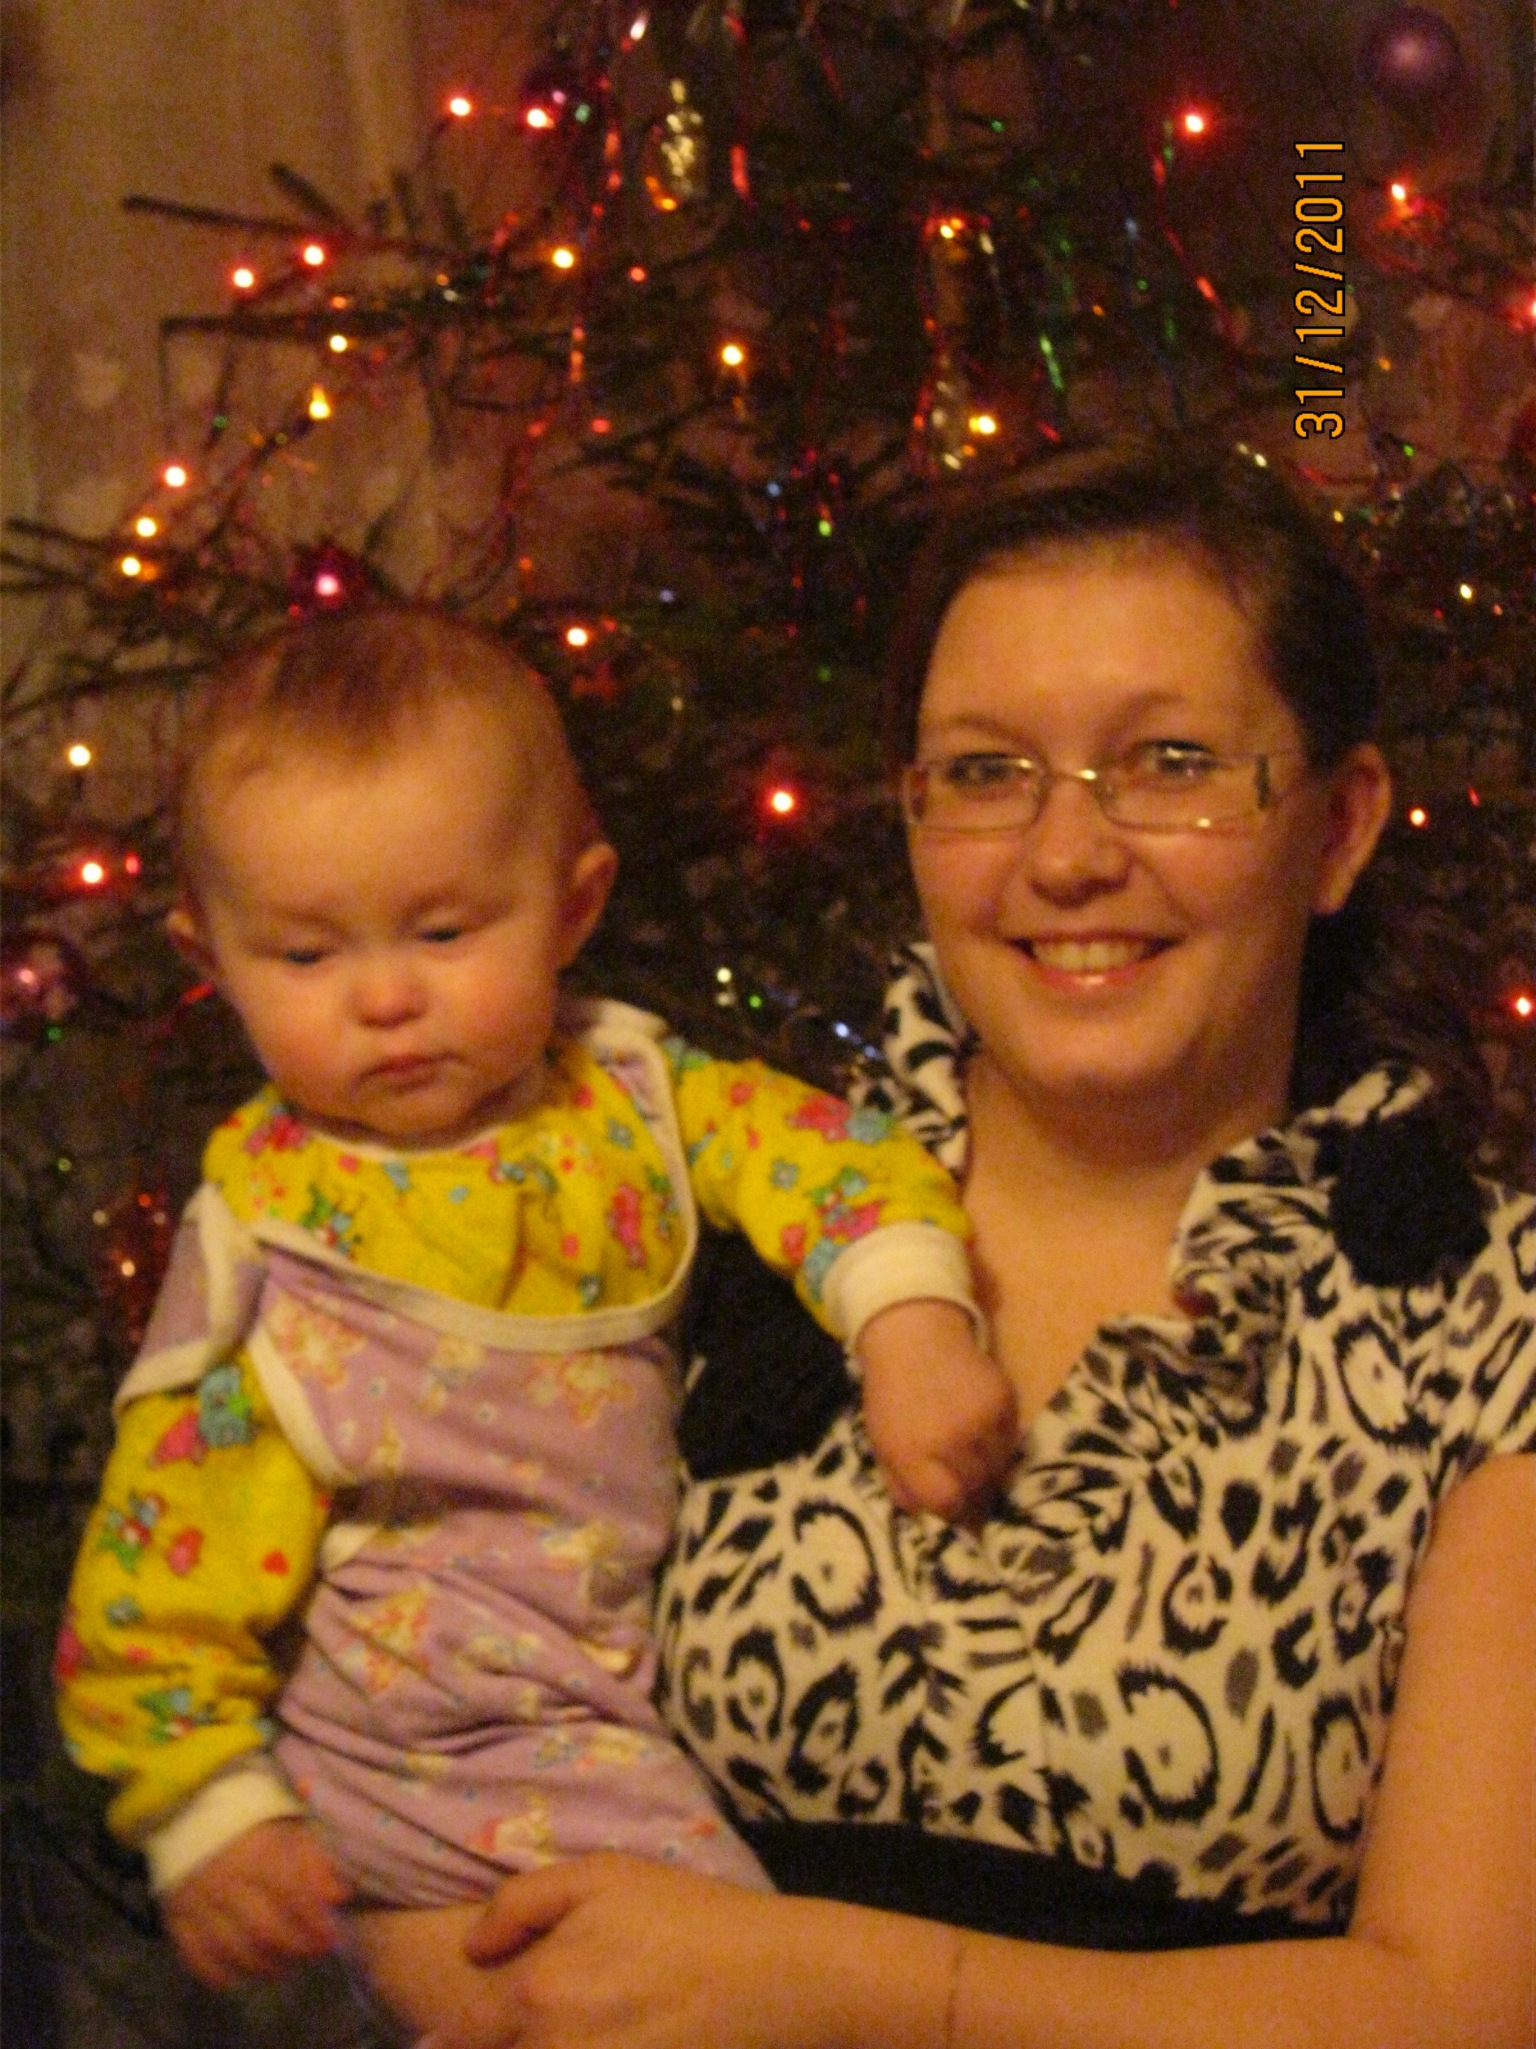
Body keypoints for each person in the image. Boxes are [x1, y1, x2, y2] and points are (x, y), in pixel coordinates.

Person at [416, 446, 1535, 2049]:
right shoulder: (702, 1215)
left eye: (1167, 760)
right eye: (988, 770)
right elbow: (411, 1761)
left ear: (1340, 825)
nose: (1065, 856)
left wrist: (833, 1986)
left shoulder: (1489, 1321)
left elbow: (1464, 2008)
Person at [54, 605, 1018, 2043]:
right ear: (211, 953)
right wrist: (202, 1808)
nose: (387, 997)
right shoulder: (267, 1240)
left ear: (573, 906)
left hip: (603, 1704)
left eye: (446, 931)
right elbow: (155, 1560)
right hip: (415, 1753)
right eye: (304, 956)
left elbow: (822, 1156)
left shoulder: (629, 1093)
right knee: (771, 1995)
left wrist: (912, 1327)